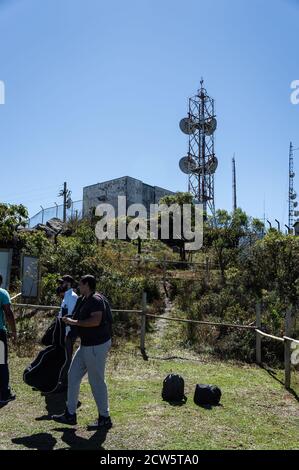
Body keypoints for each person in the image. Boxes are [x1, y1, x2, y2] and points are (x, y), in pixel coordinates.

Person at [52, 275, 112, 429]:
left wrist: (74, 322)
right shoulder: (83, 299)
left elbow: (95, 321)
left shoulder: (96, 300)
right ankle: (70, 414)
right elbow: (79, 318)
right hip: (86, 345)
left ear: (87, 285)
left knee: (96, 381)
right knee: (72, 376)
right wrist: (69, 320)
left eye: (80, 284)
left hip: (97, 346)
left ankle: (104, 418)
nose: (78, 286)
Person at [56, 275, 78, 390]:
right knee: (64, 356)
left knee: (68, 357)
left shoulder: (73, 297)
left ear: (68, 283)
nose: (61, 285)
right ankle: (62, 380)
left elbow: (73, 315)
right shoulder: (66, 296)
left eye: (63, 283)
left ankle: (65, 382)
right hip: (63, 330)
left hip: (69, 331)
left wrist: (68, 332)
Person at [0, 273, 17, 405]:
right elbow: (9, 313)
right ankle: (4, 394)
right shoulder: (2, 293)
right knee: (1, 363)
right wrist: (14, 331)